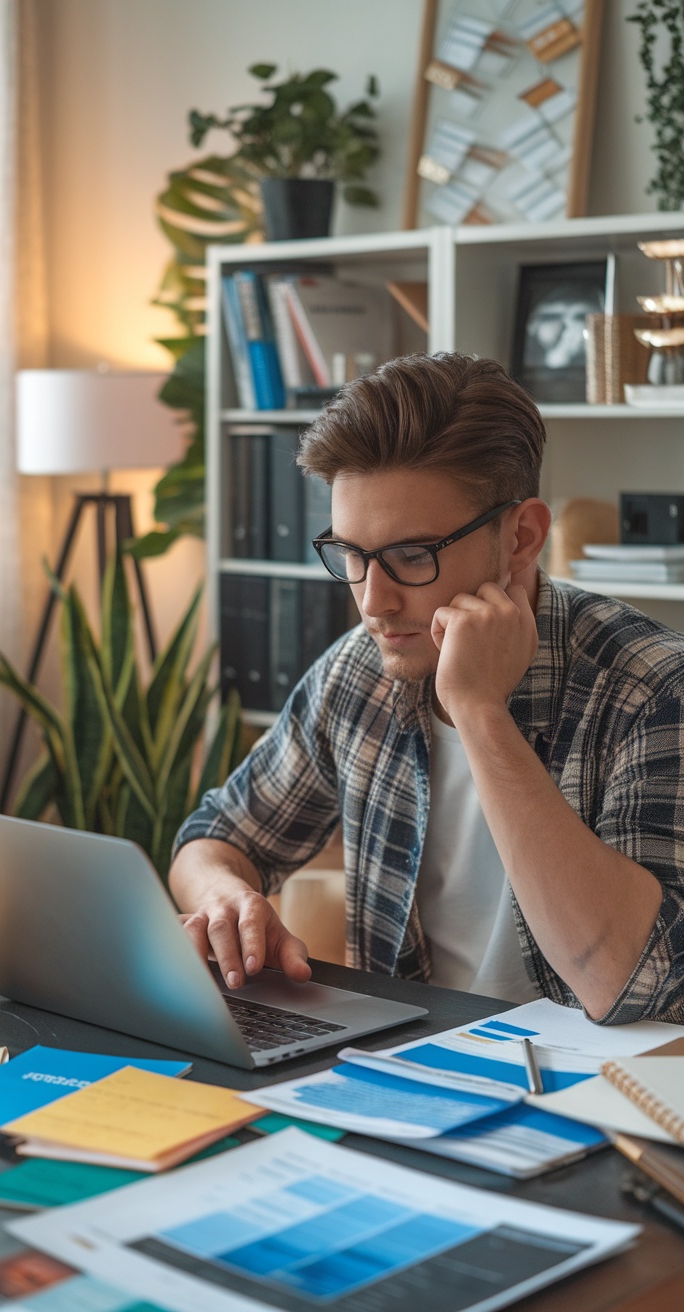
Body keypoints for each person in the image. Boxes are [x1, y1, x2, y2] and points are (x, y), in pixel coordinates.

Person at [170, 352, 684, 1025]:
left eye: (412, 556)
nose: (373, 602)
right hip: (407, 1073)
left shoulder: (650, 688)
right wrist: (224, 897)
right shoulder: (361, 670)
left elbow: (630, 979)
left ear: (522, 536)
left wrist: (479, 710)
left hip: (595, 1102)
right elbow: (214, 836)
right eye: (352, 555)